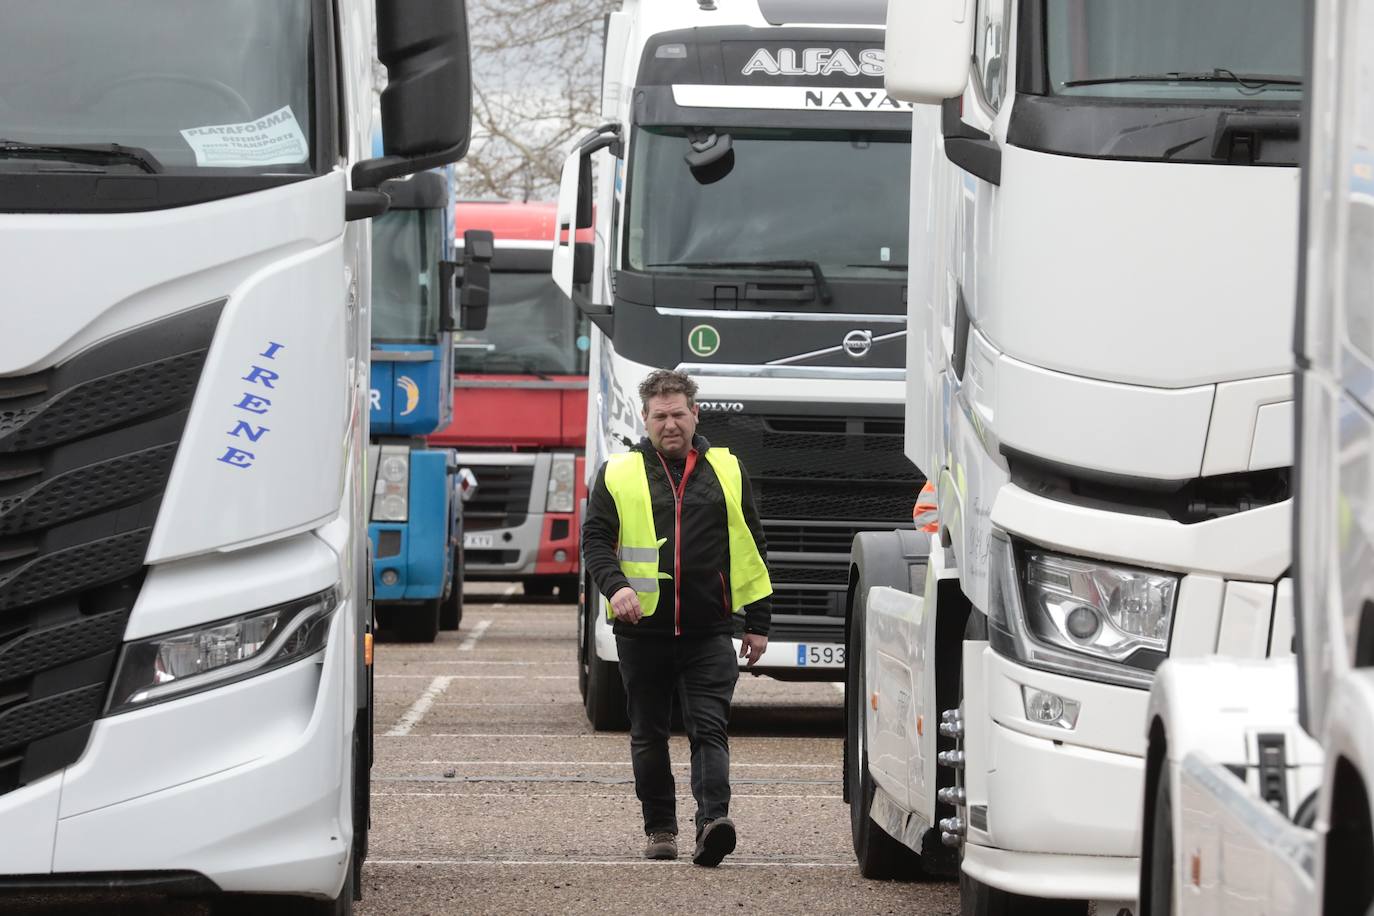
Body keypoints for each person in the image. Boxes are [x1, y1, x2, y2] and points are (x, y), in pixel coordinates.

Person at [582, 369, 772, 867]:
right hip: (642, 630)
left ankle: (713, 822)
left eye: (678, 414)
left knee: (710, 726)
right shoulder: (618, 473)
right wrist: (616, 586)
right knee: (648, 732)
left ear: (695, 414)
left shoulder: (726, 469)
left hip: (710, 629)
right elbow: (595, 541)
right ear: (645, 420)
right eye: (660, 416)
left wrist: (758, 620)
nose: (670, 424)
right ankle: (660, 827)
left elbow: (752, 544)